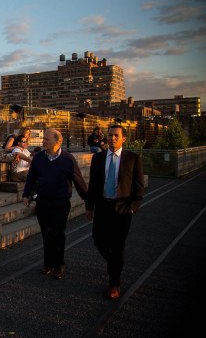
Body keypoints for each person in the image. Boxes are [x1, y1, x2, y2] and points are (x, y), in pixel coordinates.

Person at [85, 124, 144, 299]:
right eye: (110, 135)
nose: (112, 138)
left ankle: (114, 284)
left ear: (123, 138)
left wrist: (133, 207)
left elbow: (139, 187)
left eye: (116, 135)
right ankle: (115, 264)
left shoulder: (133, 158)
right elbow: (94, 185)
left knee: (118, 246)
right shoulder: (98, 158)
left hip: (122, 209)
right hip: (103, 206)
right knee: (98, 239)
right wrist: (89, 206)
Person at [22, 128, 87, 279]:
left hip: (60, 202)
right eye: (43, 139)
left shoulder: (67, 159)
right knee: (46, 233)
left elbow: (78, 180)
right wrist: (26, 195)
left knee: (58, 234)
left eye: (46, 139)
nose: (43, 141)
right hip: (43, 201)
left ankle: (58, 265)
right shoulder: (38, 158)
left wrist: (88, 200)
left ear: (58, 142)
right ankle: (48, 264)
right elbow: (31, 177)